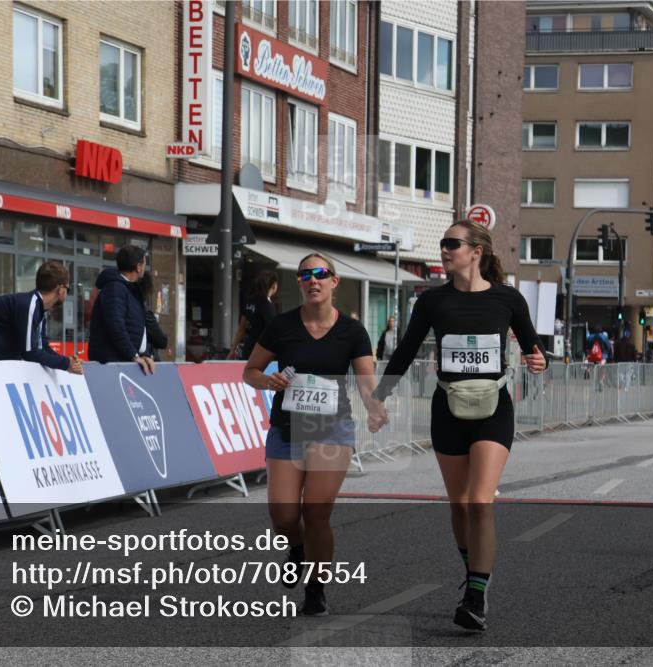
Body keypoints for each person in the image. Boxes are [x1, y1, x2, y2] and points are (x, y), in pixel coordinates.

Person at [367, 220, 547, 631]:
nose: (445, 250)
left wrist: (539, 362)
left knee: (480, 501)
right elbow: (405, 352)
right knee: (460, 504)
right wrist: (379, 399)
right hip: (447, 408)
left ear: (475, 252)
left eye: (452, 244)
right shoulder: (431, 302)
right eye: (443, 244)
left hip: (494, 408)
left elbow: (536, 350)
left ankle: (475, 596)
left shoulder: (508, 299)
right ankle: (474, 571)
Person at [242, 253, 383, 617]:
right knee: (284, 516)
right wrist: (267, 380)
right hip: (287, 430)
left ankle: (316, 588)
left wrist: (374, 406)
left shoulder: (352, 331)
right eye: (305, 275)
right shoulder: (282, 326)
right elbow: (250, 371)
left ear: (335, 282)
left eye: (321, 274)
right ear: (299, 283)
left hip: (332, 429)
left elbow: (366, 380)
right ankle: (297, 548)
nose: (312, 280)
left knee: (317, 511)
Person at [0, 260, 82, 374]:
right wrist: (66, 364)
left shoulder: (38, 307)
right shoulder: (29, 305)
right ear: (60, 289)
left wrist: (68, 361)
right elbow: (30, 352)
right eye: (68, 289)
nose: (67, 293)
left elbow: (43, 347)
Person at [87, 245, 155, 375]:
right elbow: (115, 325)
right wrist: (133, 355)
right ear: (138, 266)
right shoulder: (115, 288)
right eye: (144, 264)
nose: (144, 269)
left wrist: (143, 354)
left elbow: (138, 326)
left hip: (125, 362)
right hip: (113, 365)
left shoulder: (130, 289)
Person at [229, 271, 278, 360]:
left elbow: (241, 328)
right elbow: (272, 331)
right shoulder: (267, 306)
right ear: (274, 286)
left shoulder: (249, 301)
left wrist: (233, 349)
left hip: (248, 347)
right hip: (263, 350)